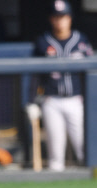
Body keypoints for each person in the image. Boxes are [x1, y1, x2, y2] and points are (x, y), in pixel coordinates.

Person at [33, 0, 93, 171]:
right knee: (55, 155)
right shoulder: (43, 41)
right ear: (51, 19)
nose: (60, 21)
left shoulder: (80, 39)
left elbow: (89, 73)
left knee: (84, 147)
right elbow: (34, 76)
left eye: (63, 17)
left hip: (76, 99)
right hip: (52, 100)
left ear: (70, 18)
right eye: (56, 17)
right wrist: (32, 101)